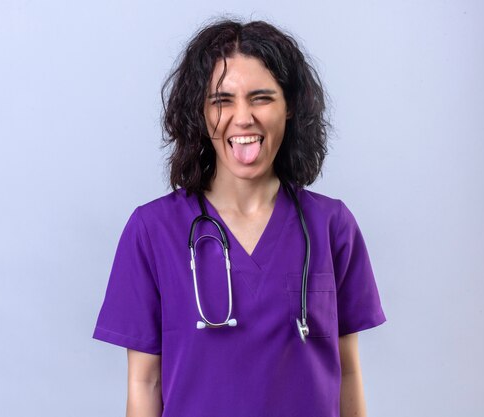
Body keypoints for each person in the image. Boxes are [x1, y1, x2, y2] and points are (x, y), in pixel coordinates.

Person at [93, 19, 386, 417]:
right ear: (199, 112)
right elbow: (145, 382)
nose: (243, 117)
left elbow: (348, 372)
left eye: (261, 98)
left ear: (290, 106)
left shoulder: (331, 226)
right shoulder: (152, 231)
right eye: (221, 100)